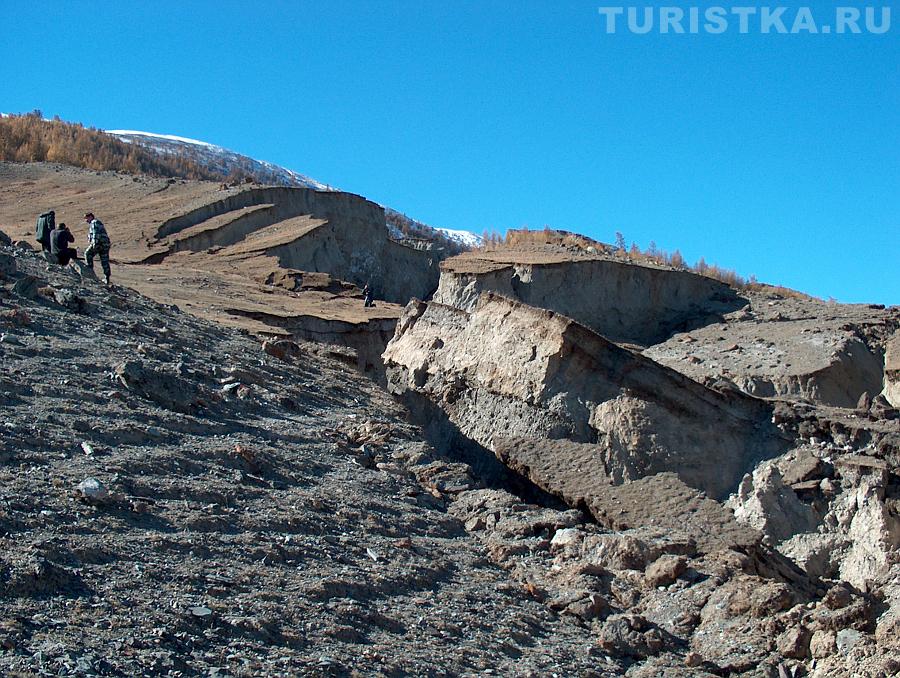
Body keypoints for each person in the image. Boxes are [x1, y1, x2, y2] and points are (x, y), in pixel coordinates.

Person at [83, 212, 112, 285]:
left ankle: (90, 272)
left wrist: (94, 243)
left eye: (86, 218)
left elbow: (96, 233)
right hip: (105, 244)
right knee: (104, 260)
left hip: (99, 244)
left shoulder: (94, 222)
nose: (86, 220)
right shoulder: (97, 223)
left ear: (90, 217)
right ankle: (107, 277)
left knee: (87, 253)